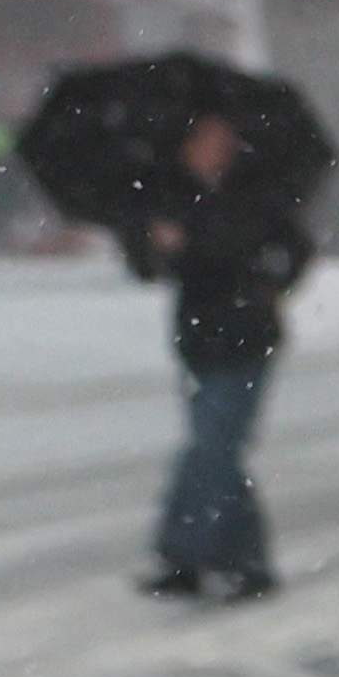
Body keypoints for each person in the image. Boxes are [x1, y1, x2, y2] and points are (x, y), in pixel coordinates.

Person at [135, 111, 310, 602]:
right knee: (212, 450)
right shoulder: (173, 196)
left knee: (213, 448)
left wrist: (266, 283)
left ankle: (200, 556)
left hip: (247, 338)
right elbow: (149, 266)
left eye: (221, 139)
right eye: (204, 139)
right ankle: (226, 561)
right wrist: (159, 245)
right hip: (198, 340)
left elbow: (294, 250)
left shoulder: (256, 194)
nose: (213, 148)